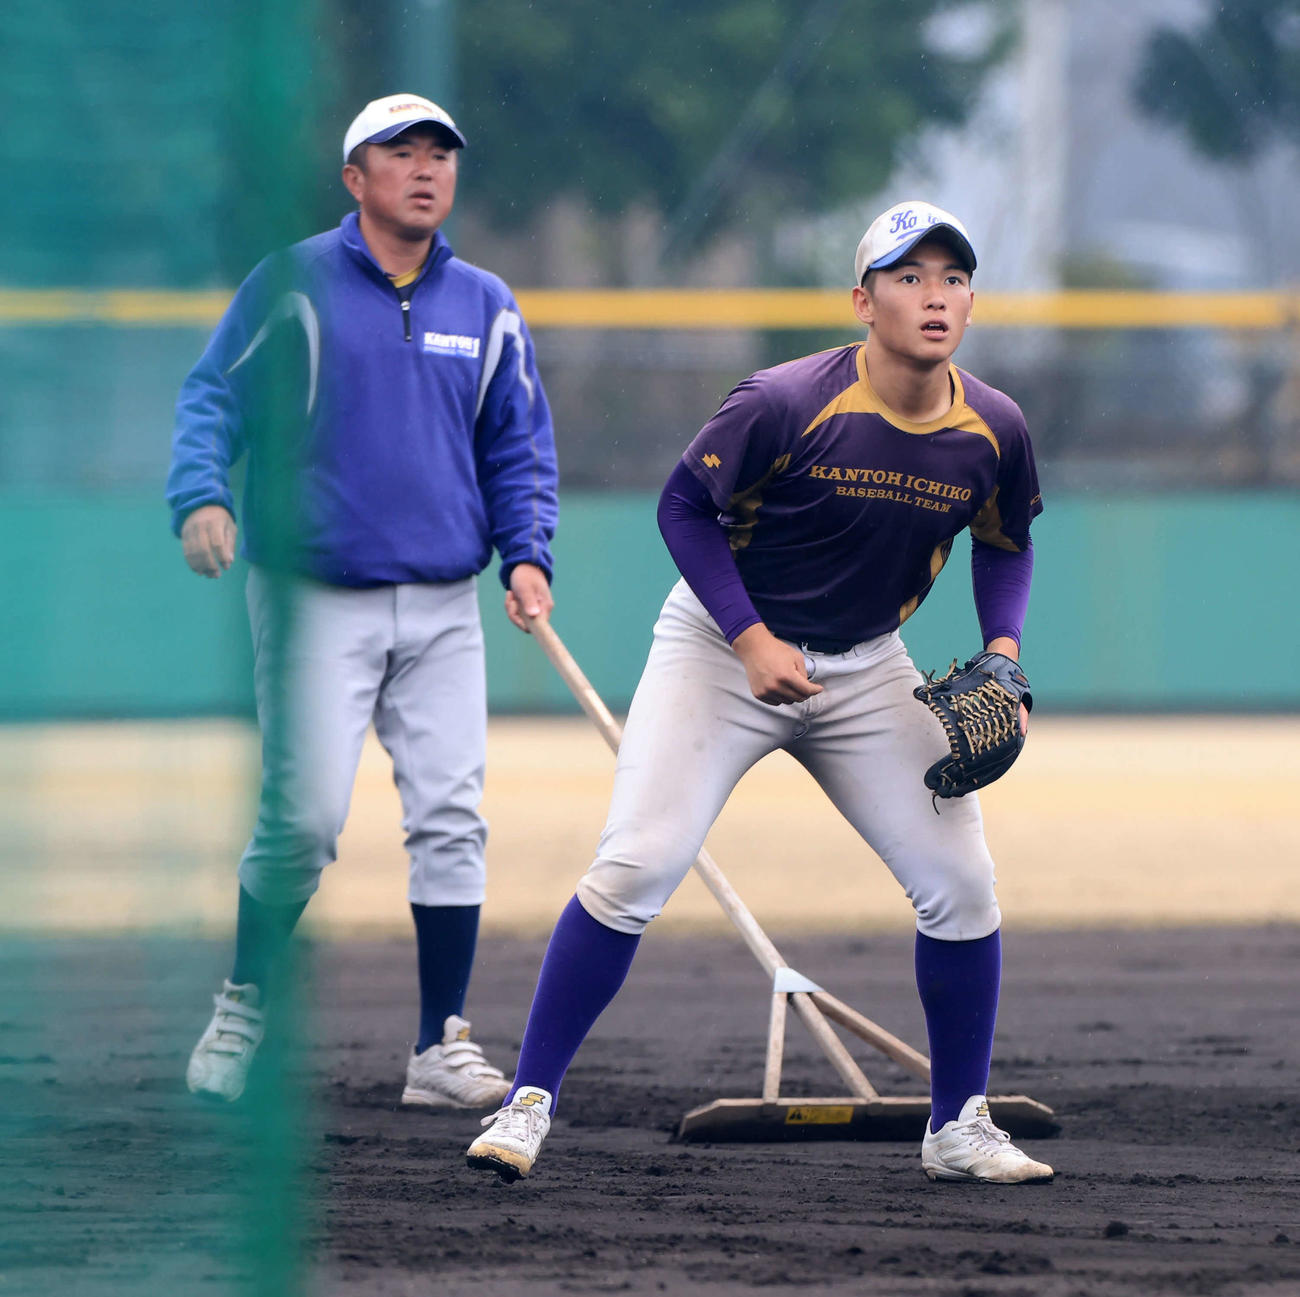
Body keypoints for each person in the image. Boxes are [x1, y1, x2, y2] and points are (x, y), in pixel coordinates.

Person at [466, 200, 1053, 1184]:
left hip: (867, 664)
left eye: (952, 277)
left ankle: (957, 1125)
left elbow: (1007, 540)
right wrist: (747, 636)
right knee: (636, 864)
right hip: (718, 647)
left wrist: (1003, 649)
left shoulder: (992, 426)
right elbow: (682, 507)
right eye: (909, 278)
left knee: (962, 885)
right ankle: (528, 1101)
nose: (934, 296)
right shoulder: (783, 400)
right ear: (863, 300)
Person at [167, 93, 558, 1109]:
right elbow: (212, 393)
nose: (426, 169)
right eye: (400, 153)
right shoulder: (291, 282)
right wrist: (202, 493)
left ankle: (440, 1047)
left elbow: (515, 445)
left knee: (451, 818)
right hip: (311, 597)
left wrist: (528, 555)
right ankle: (243, 1003)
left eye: (441, 154)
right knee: (301, 821)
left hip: (441, 603)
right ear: (356, 177)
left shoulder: (485, 303)